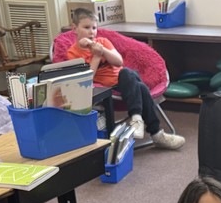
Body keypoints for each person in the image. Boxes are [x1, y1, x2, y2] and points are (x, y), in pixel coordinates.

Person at [65, 8, 184, 150]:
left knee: (126, 73)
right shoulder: (72, 53)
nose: (91, 32)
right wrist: (96, 56)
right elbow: (86, 79)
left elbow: (118, 62)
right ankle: (155, 133)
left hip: (125, 81)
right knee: (142, 88)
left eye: (94, 28)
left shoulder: (102, 41)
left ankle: (137, 119)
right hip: (107, 88)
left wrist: (102, 50)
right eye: (86, 27)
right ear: (74, 29)